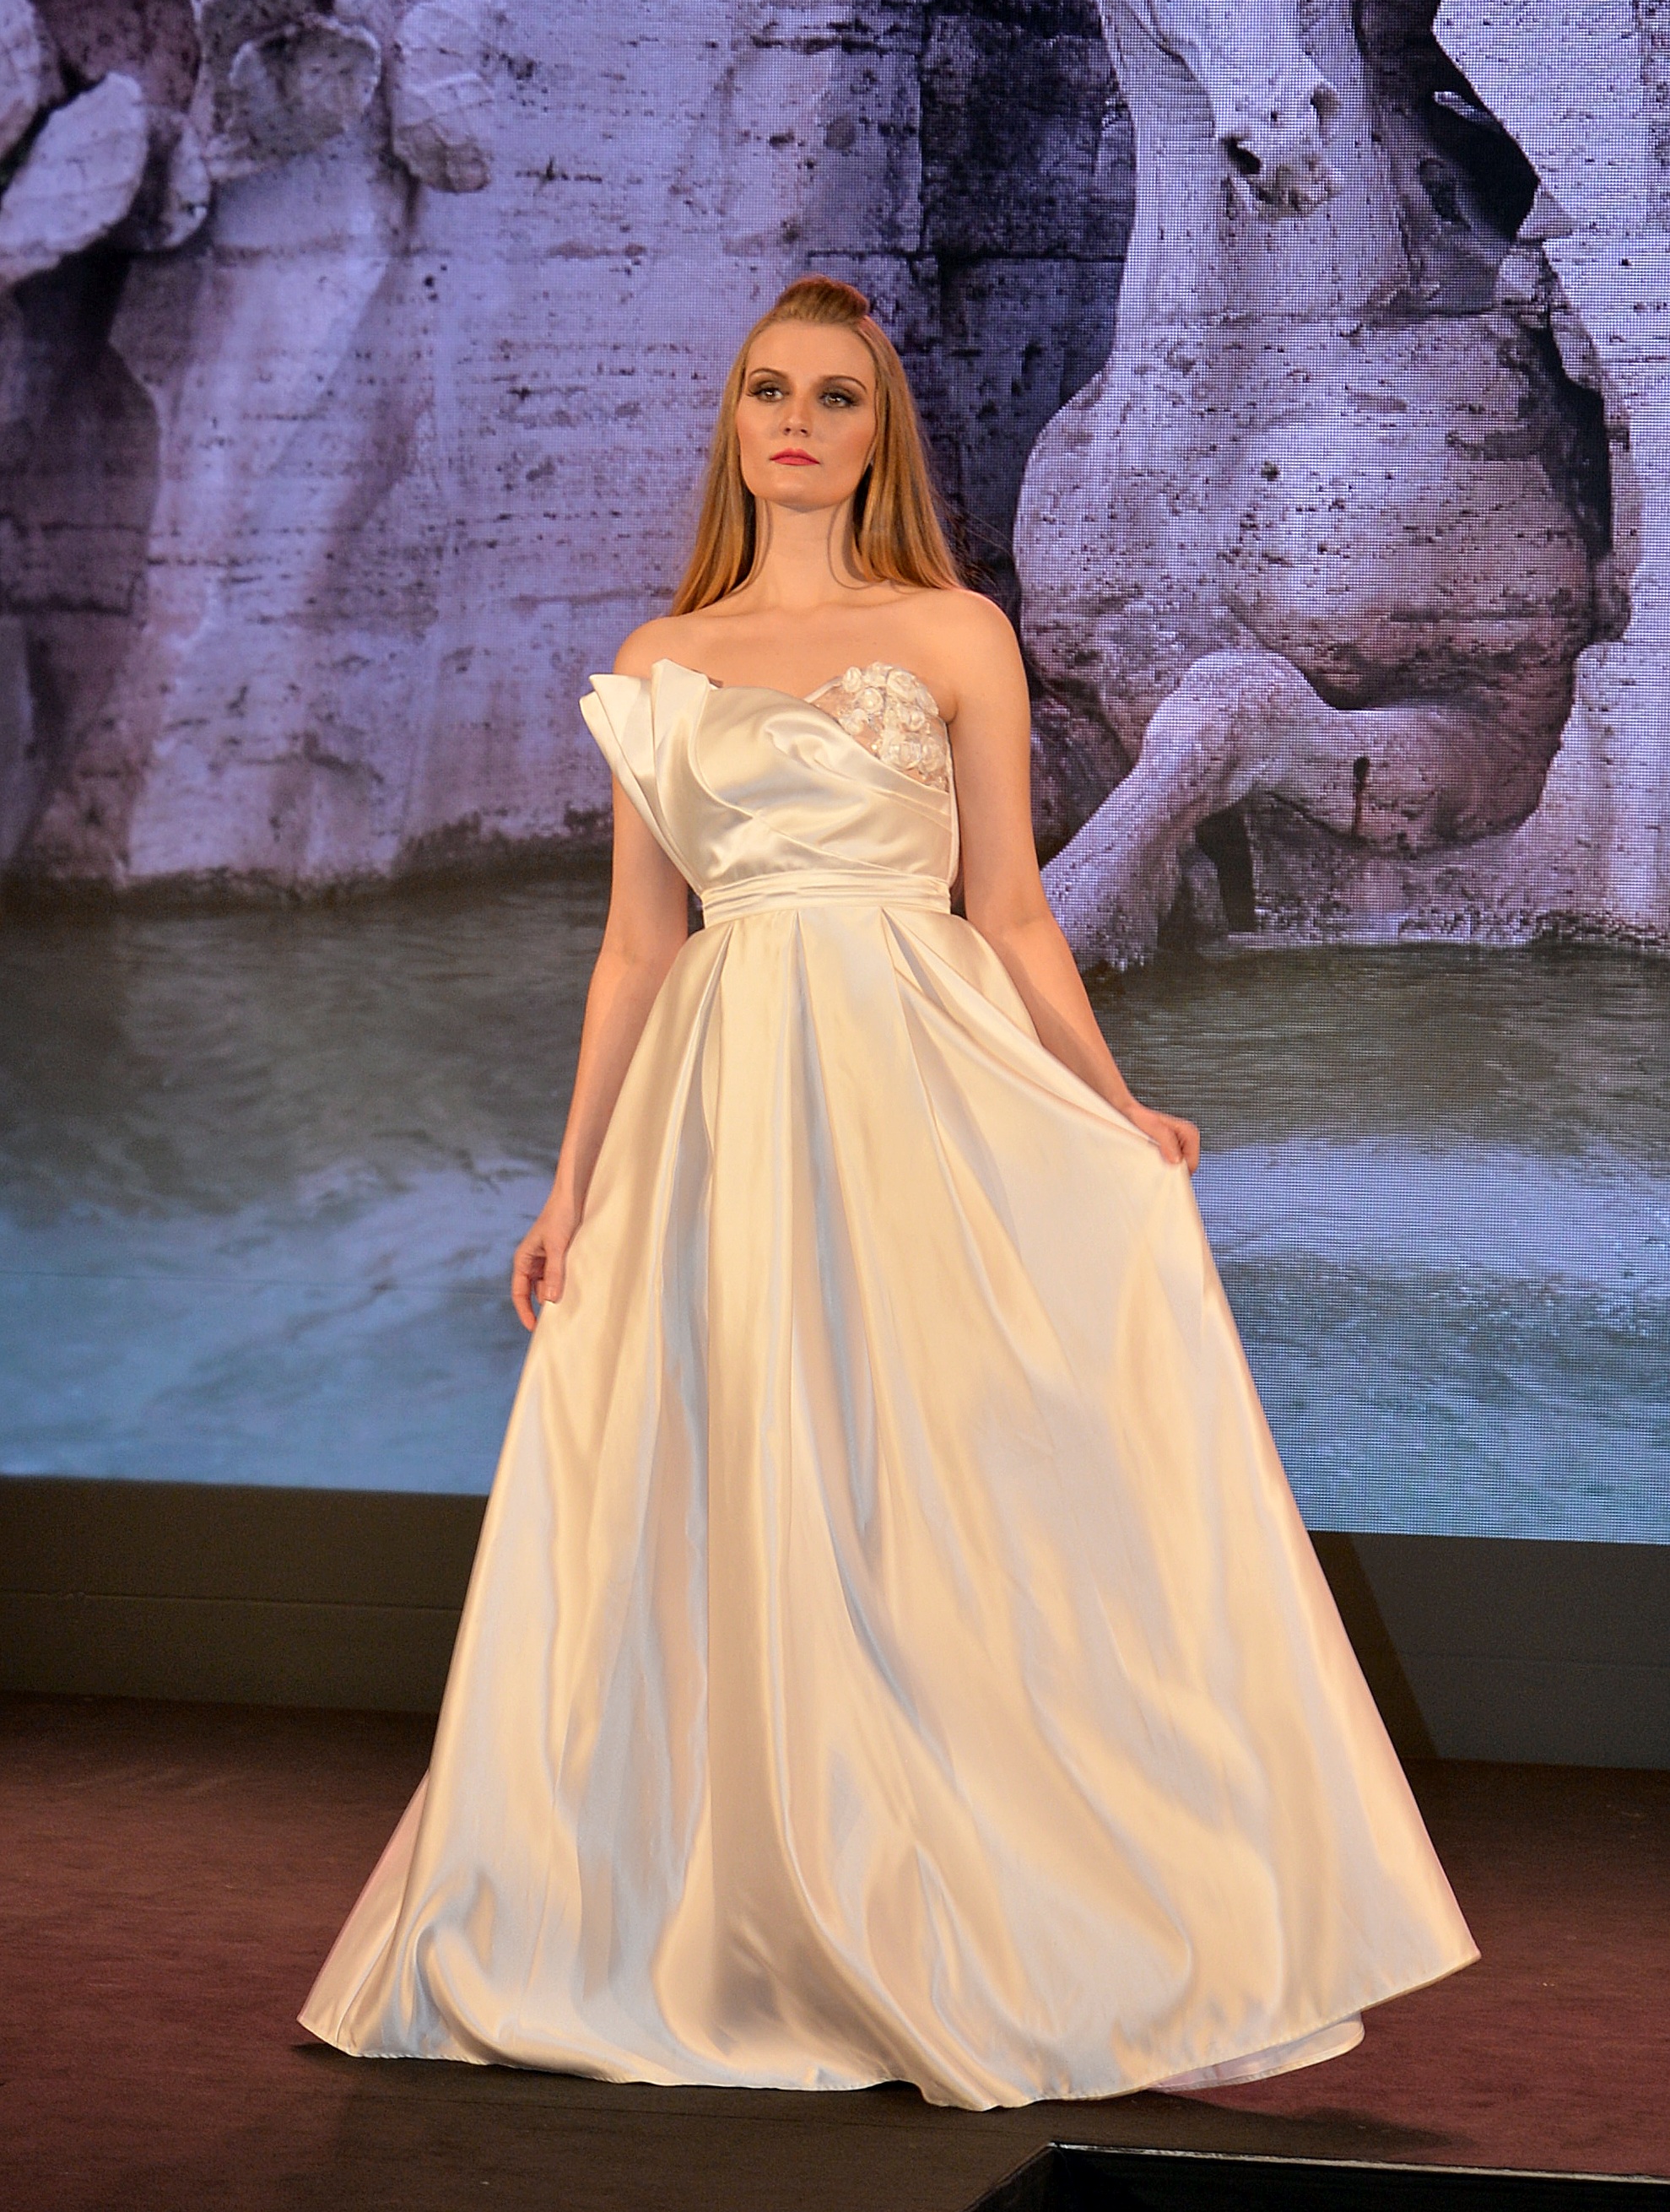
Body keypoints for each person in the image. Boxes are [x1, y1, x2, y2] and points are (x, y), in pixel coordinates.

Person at [300, 275, 1476, 2105]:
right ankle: (727, 1909)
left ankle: (990, 1894)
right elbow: (635, 949)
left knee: (930, 1475)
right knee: (719, 1474)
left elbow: (1010, 910)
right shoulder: (659, 656)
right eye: (770, 390)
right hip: (716, 1101)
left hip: (917, 1081)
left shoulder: (954, 631)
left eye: (836, 396)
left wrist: (1113, 1102)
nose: (798, 422)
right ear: (736, 422)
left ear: (878, 434)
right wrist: (569, 1188)